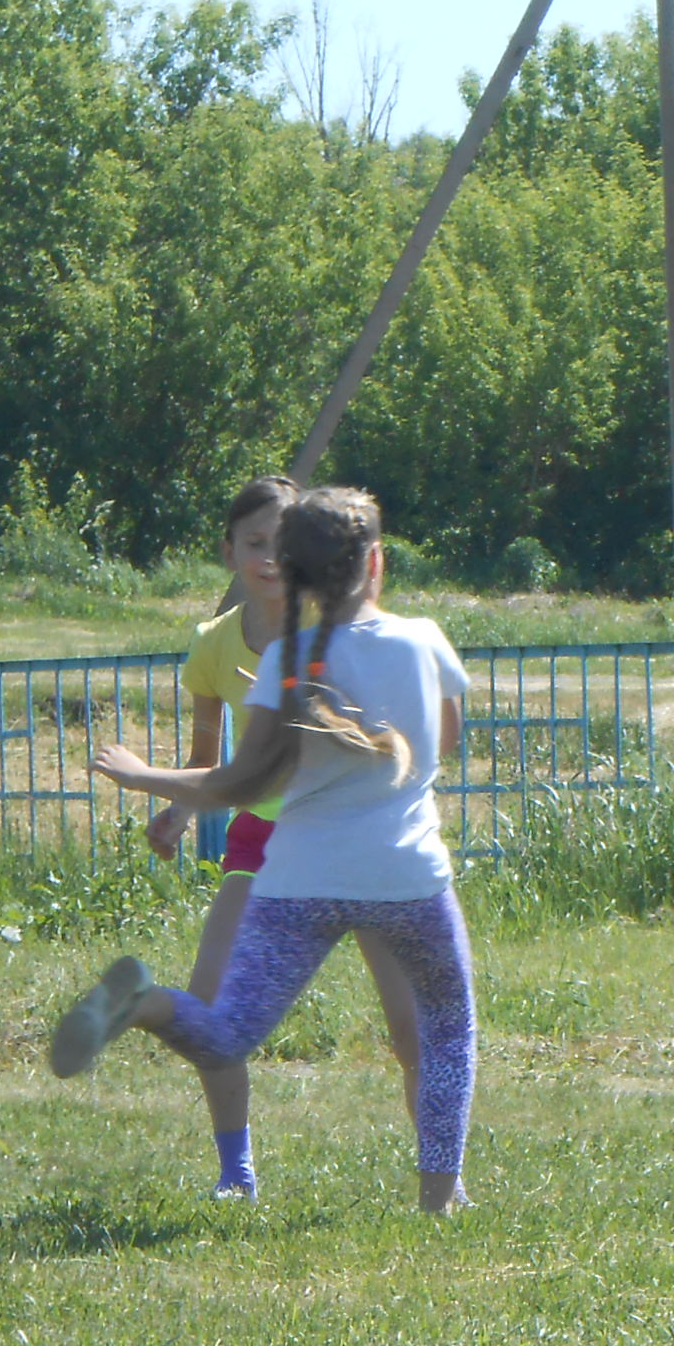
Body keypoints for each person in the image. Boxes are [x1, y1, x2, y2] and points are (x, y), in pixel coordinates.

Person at [51, 485, 478, 1214]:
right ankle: (440, 1203)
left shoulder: (284, 658)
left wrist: (143, 776)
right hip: (406, 879)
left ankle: (146, 1004)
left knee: (227, 1030)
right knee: (445, 1031)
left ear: (292, 571)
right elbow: (448, 743)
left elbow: (241, 782)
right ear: (376, 562)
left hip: (299, 881)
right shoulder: (423, 639)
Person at [144, 475, 425, 1199]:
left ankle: (440, 1177)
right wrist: (178, 806)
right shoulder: (212, 646)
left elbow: (393, 736)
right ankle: (235, 1172)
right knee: (211, 1011)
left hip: (353, 841)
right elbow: (213, 762)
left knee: (410, 1025)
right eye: (255, 542)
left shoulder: (339, 631)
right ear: (229, 550)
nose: (270, 558)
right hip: (263, 845)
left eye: (284, 543)